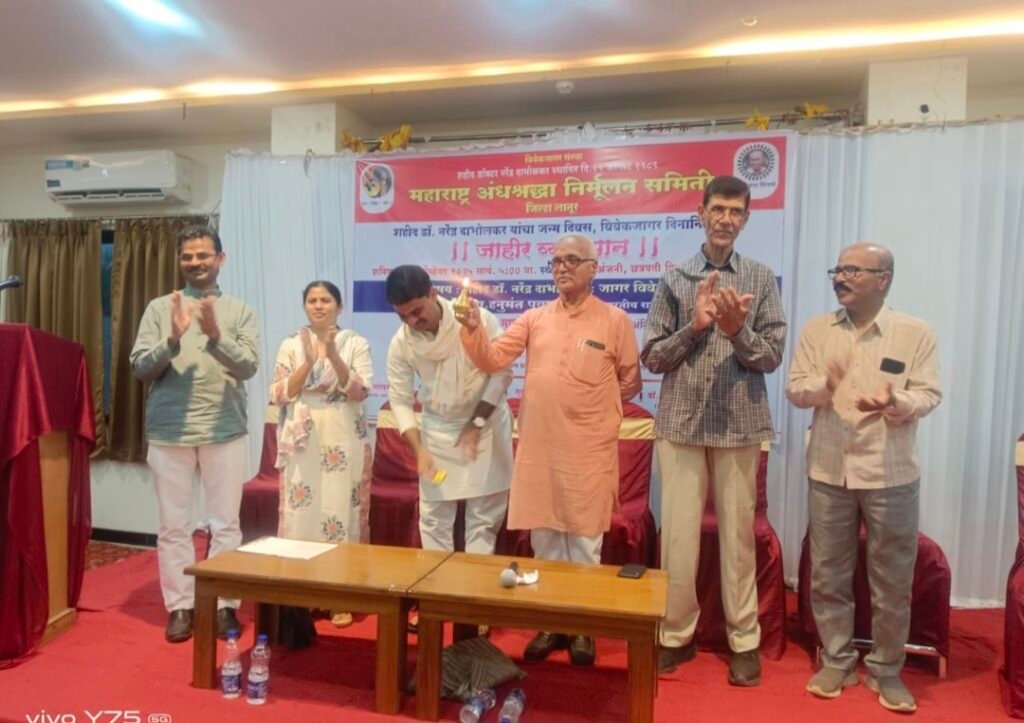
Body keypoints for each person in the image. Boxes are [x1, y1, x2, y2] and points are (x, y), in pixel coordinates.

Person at [457, 233, 642, 667]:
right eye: (556, 261)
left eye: (572, 260)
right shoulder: (534, 318)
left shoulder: (615, 320)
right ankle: (550, 623)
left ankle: (582, 628)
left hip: (588, 450)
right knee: (545, 543)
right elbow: (492, 359)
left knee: (584, 544)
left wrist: (589, 403)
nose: (562, 267)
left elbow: (630, 380)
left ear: (594, 268)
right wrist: (472, 328)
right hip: (540, 447)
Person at [641, 175, 786, 686]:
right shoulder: (675, 278)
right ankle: (675, 634)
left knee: (739, 540)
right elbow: (653, 357)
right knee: (678, 540)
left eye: (736, 211)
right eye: (718, 209)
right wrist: (696, 326)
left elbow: (771, 356)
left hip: (739, 424)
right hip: (680, 425)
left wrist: (736, 331)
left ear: (746, 219)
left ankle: (743, 640)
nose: (726, 219)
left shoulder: (761, 279)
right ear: (701, 213)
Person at [787, 243, 941, 713]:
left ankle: (887, 668)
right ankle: (837, 660)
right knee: (828, 572)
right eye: (838, 269)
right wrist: (826, 386)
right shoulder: (817, 330)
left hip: (890, 471)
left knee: (892, 577)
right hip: (829, 469)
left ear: (883, 279)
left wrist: (896, 403)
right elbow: (796, 389)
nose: (841, 277)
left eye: (853, 270)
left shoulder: (915, 332)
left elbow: (929, 393)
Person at [130, 224, 260, 643]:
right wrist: (171, 339)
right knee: (173, 525)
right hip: (169, 431)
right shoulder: (159, 309)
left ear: (220, 259)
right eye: (187, 256)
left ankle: (224, 605)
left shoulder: (240, 310)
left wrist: (217, 337)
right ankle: (180, 607)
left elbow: (248, 367)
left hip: (225, 428)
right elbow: (140, 368)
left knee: (226, 524)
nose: (195, 263)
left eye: (203, 255)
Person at [385, 265, 514, 561]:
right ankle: (437, 589)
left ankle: (475, 590)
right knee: (434, 521)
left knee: (482, 524)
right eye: (403, 316)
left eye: (417, 312)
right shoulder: (401, 342)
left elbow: (502, 374)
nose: (412, 322)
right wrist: (419, 450)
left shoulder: (475, 319)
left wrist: (476, 423)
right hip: (438, 433)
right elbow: (400, 399)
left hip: (486, 428)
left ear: (433, 294)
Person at [269, 280, 373, 629]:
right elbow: (278, 393)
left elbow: (361, 390)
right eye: (312, 300)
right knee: (302, 514)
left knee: (340, 509)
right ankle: (300, 596)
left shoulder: (355, 342)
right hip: (304, 438)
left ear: (339, 307)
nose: (318, 306)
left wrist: (333, 356)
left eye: (325, 300)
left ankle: (339, 596)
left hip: (342, 434)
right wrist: (309, 362)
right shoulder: (290, 344)